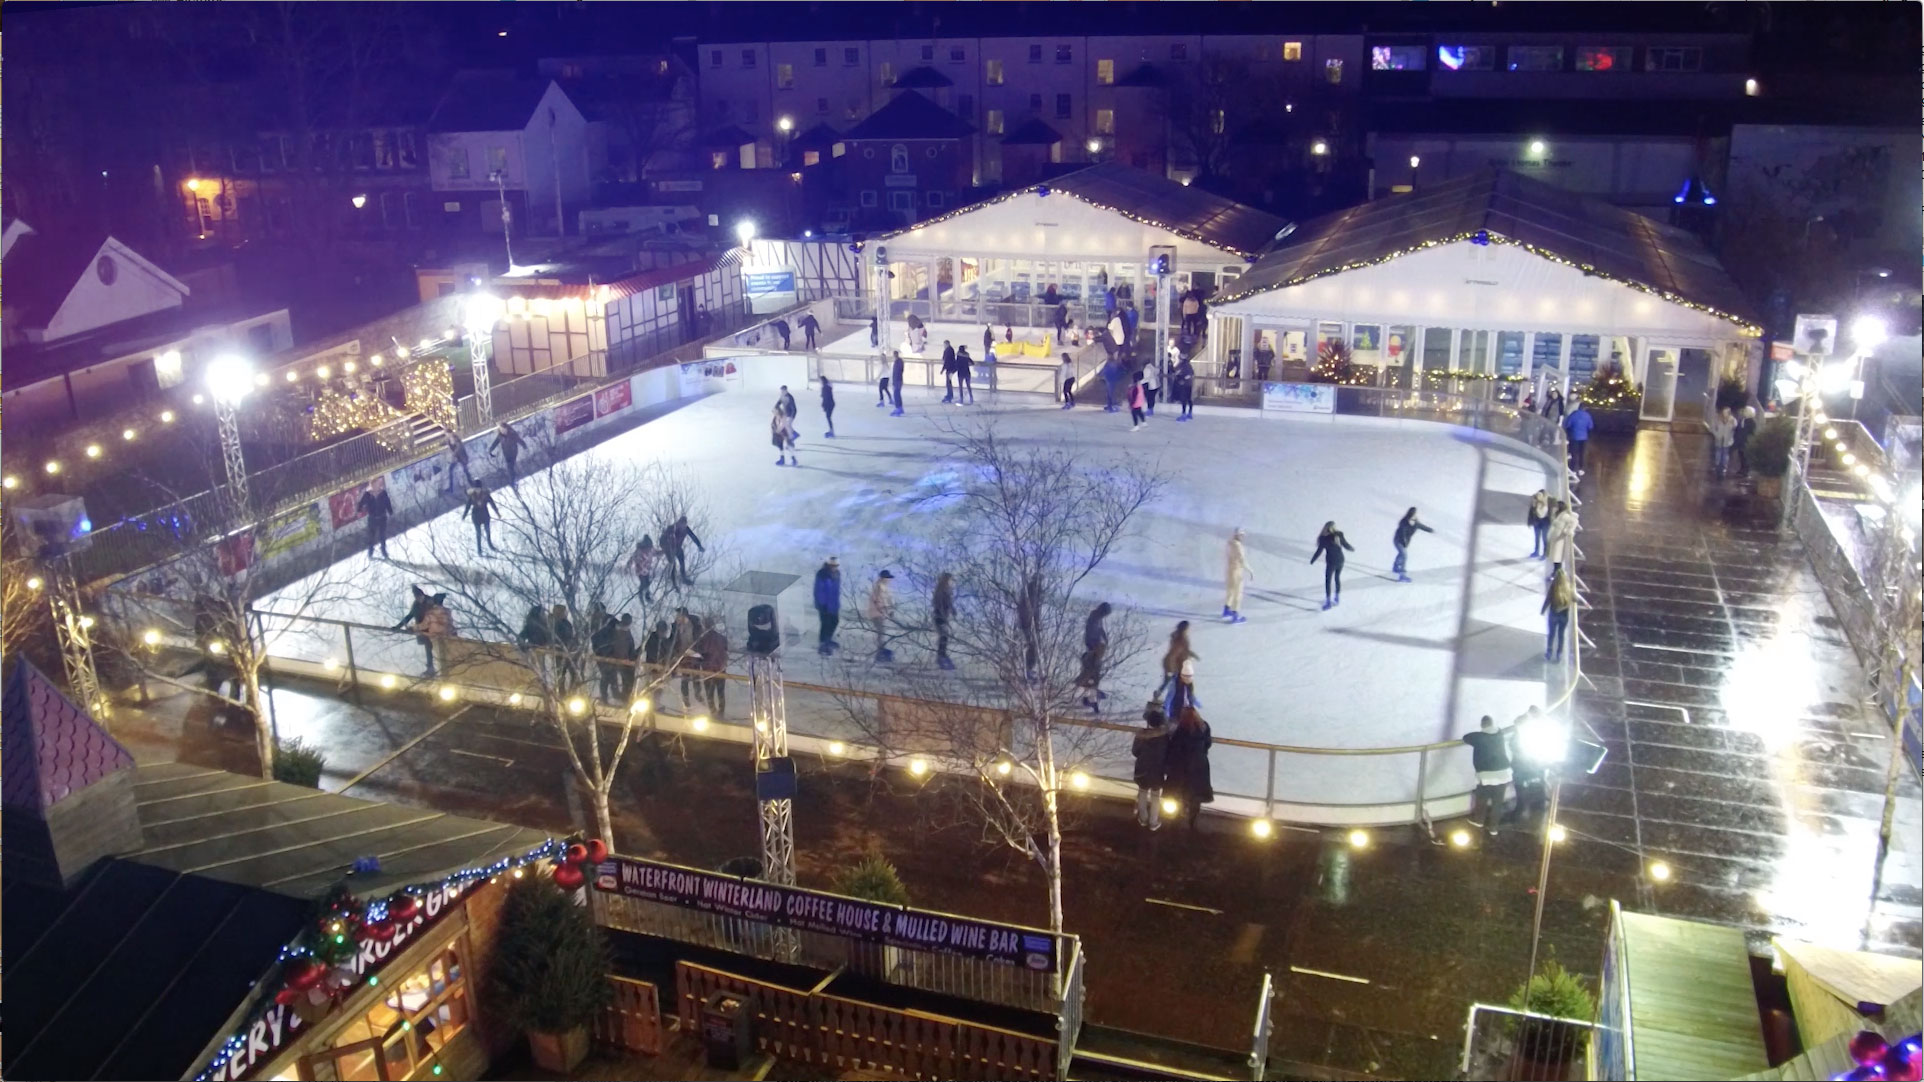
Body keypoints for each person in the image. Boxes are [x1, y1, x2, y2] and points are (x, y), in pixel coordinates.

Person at [1461, 715, 1514, 836]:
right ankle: (1493, 828)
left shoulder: (1478, 737)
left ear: (1482, 725)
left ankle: (1479, 820)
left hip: (1487, 774)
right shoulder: (1499, 733)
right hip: (1504, 772)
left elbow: (1466, 738)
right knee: (1498, 802)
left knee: (1482, 798)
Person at [1164, 706, 1214, 832]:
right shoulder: (1204, 727)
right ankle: (1192, 821)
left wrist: (1169, 765)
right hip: (1199, 767)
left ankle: (1176, 819)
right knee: (1196, 795)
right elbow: (1208, 744)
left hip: (1181, 767)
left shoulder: (1181, 730)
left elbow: (1174, 748)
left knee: (1179, 793)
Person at [1504, 705, 1553, 825]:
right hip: (1526, 765)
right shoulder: (1527, 728)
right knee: (1524, 788)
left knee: (1532, 788)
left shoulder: (1541, 728)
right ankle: (1522, 812)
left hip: (1531, 764)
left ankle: (1527, 813)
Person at [1133, 703, 1171, 831]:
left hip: (1142, 769)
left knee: (1142, 793)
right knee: (1155, 796)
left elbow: (1135, 752)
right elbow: (1167, 754)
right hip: (1157, 771)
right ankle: (1153, 821)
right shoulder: (1165, 738)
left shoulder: (1141, 736)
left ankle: (1143, 818)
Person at [1310, 521, 1355, 611]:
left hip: (1331, 562)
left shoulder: (1324, 539)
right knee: (1337, 578)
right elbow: (1346, 545)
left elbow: (1319, 551)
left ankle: (1328, 602)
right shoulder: (1339, 535)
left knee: (1328, 581)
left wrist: (1313, 560)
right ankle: (1337, 598)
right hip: (1340, 560)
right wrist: (1351, 548)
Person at [1077, 602, 1111, 711]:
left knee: (1093, 676)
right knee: (1091, 676)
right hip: (1093, 649)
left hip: (1096, 648)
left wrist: (1104, 637)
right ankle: (1090, 699)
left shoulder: (1097, 618)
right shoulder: (1094, 618)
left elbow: (1100, 629)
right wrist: (1094, 648)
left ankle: (1090, 697)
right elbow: (1090, 634)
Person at [393, 586, 435, 673]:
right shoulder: (416, 605)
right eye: (416, 597)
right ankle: (430, 668)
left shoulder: (431, 602)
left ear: (423, 595)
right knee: (428, 647)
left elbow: (438, 615)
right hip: (422, 629)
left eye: (419, 597)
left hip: (433, 629)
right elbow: (409, 616)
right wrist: (398, 626)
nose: (418, 599)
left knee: (432, 646)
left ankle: (432, 668)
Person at [695, 617, 729, 717]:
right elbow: (725, 651)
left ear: (704, 626)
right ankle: (721, 713)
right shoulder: (722, 638)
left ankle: (713, 712)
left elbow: (701, 655)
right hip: (720, 670)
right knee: (721, 693)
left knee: (709, 694)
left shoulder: (702, 640)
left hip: (708, 671)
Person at [1391, 507, 1434, 584]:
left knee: (1401, 554)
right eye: (1413, 514)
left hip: (1405, 542)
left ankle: (1395, 567)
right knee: (1404, 555)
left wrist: (1430, 530)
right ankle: (1402, 575)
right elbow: (1402, 532)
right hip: (1398, 541)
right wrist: (1404, 541)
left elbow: (1422, 527)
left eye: (1415, 514)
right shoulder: (1403, 522)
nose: (1414, 516)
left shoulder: (1416, 523)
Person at [1157, 621, 1196, 699]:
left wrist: (1192, 654)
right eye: (1188, 628)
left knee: (1170, 682)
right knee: (1172, 682)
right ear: (1184, 629)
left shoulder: (1181, 637)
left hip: (1178, 663)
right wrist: (1171, 669)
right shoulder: (1179, 639)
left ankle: (1188, 698)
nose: (1188, 630)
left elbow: (1183, 649)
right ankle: (1189, 699)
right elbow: (1173, 654)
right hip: (1173, 664)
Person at [662, 514, 704, 586]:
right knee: (673, 564)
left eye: (684, 525)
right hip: (670, 549)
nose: (683, 527)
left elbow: (693, 537)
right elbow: (662, 538)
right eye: (682, 524)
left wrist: (699, 546)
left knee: (682, 560)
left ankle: (683, 578)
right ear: (679, 523)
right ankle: (673, 581)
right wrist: (665, 547)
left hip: (678, 548)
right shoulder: (672, 528)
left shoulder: (686, 529)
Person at [1543, 567, 1574, 662]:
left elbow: (1548, 599)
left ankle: (1549, 652)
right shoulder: (1569, 587)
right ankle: (1559, 653)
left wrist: (1543, 610)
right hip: (1564, 616)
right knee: (1561, 634)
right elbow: (1575, 598)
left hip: (1553, 614)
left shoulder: (1554, 586)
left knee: (1551, 634)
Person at [420, 593, 454, 678]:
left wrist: (414, 627)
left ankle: (431, 668)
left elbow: (423, 625)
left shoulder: (430, 613)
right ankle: (446, 672)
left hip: (434, 638)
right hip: (446, 638)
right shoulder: (447, 612)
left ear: (433, 601)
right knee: (444, 656)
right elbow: (450, 625)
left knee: (427, 644)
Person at [357, 479, 394, 560]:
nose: (376, 486)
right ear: (371, 485)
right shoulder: (367, 494)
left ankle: (384, 552)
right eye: (373, 484)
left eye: (377, 484)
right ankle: (370, 553)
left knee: (382, 536)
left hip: (382, 517)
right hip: (372, 518)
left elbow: (387, 502)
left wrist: (390, 511)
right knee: (371, 537)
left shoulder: (383, 493)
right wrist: (359, 509)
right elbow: (361, 503)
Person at [813, 556, 842, 656]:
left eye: (836, 566)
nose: (834, 567)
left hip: (834, 604)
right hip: (824, 604)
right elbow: (818, 590)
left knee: (834, 621)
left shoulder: (837, 574)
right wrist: (821, 604)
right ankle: (823, 644)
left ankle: (828, 639)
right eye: (833, 566)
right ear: (829, 565)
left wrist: (837, 603)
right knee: (825, 624)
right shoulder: (822, 574)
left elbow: (836, 590)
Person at [1222, 528, 1252, 622]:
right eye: (1242, 535)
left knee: (1230, 591)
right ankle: (1235, 616)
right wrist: (1250, 571)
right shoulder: (1238, 546)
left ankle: (1226, 610)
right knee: (1238, 593)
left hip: (1229, 571)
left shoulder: (1229, 543)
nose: (1243, 537)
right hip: (1237, 572)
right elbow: (1242, 560)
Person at [1016, 573, 1042, 679]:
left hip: (1031, 624)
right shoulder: (1030, 591)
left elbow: (1035, 610)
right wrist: (1030, 623)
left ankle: (1029, 670)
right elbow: (1025, 609)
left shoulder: (1033, 591)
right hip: (1027, 624)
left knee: (1034, 646)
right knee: (1033, 646)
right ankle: (1028, 670)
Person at [866, 569, 896, 662]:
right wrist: (885, 610)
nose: (888, 580)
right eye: (887, 578)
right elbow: (878, 601)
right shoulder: (879, 588)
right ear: (882, 578)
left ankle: (881, 650)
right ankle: (880, 652)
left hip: (880, 613)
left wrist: (889, 610)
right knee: (881, 632)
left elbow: (886, 600)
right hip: (876, 613)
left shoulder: (883, 587)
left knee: (881, 632)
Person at [1546, 500, 1578, 583]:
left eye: (1557, 506)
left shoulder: (1565, 516)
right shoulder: (1558, 514)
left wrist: (1567, 530)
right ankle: (1556, 574)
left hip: (1560, 540)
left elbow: (1574, 522)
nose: (1556, 507)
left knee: (1557, 558)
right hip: (1555, 538)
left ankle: (1556, 575)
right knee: (1555, 558)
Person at [461, 484, 498, 553]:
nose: (477, 490)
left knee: (488, 531)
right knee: (478, 533)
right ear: (474, 489)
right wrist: (464, 516)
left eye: (479, 488)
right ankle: (479, 550)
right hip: (476, 517)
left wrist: (497, 512)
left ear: (481, 488)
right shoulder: (472, 497)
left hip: (485, 515)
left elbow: (492, 503)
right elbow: (467, 507)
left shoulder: (485, 495)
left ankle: (490, 545)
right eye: (476, 489)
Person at [1562, 399, 1594, 475]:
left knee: (1574, 453)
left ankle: (1572, 469)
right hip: (1584, 437)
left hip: (1574, 436)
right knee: (1582, 453)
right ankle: (1581, 469)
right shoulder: (1587, 416)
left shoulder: (1574, 414)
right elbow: (1590, 426)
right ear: (1585, 408)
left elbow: (1567, 424)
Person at [933, 571, 956, 670]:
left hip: (944, 616)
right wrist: (943, 613)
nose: (951, 582)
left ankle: (942, 655)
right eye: (950, 580)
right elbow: (938, 604)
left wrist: (952, 610)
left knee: (944, 636)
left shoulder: (947, 590)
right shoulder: (941, 591)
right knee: (943, 636)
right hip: (939, 616)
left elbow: (949, 603)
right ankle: (941, 656)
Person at [1708, 406, 1737, 479]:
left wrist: (1731, 435)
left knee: (1725, 454)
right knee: (1718, 453)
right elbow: (1712, 428)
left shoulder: (1733, 420)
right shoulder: (1717, 419)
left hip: (1727, 440)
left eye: (1726, 412)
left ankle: (1724, 466)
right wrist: (1716, 434)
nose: (1725, 414)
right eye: (1724, 412)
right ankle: (1717, 465)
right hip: (1719, 439)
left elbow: (1735, 429)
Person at [630, 536, 660, 604]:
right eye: (648, 547)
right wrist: (628, 565)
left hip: (647, 570)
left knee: (647, 583)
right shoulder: (639, 551)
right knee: (643, 583)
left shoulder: (651, 550)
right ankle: (641, 595)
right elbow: (632, 558)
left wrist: (664, 551)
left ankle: (647, 597)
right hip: (640, 570)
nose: (649, 549)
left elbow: (657, 553)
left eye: (650, 547)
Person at [1526, 490, 1552, 560]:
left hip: (1545, 522)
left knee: (1544, 538)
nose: (1538, 497)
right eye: (1537, 496)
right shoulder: (1535, 503)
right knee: (1537, 537)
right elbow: (1531, 513)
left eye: (1540, 496)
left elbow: (1545, 513)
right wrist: (1529, 522)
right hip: (1537, 521)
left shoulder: (1547, 503)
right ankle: (1536, 551)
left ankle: (1545, 553)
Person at [1733, 404, 1757, 475]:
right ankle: (1742, 468)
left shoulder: (1751, 422)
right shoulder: (1742, 420)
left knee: (1745, 457)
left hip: (1746, 441)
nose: (1743, 412)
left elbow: (1751, 432)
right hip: (1740, 441)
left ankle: (1746, 470)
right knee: (1741, 456)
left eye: (1745, 411)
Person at [890, 351, 906, 416]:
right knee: (897, 394)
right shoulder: (898, 361)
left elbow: (897, 372)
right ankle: (900, 408)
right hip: (898, 380)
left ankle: (898, 408)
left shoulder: (898, 362)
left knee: (896, 394)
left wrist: (894, 382)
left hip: (897, 380)